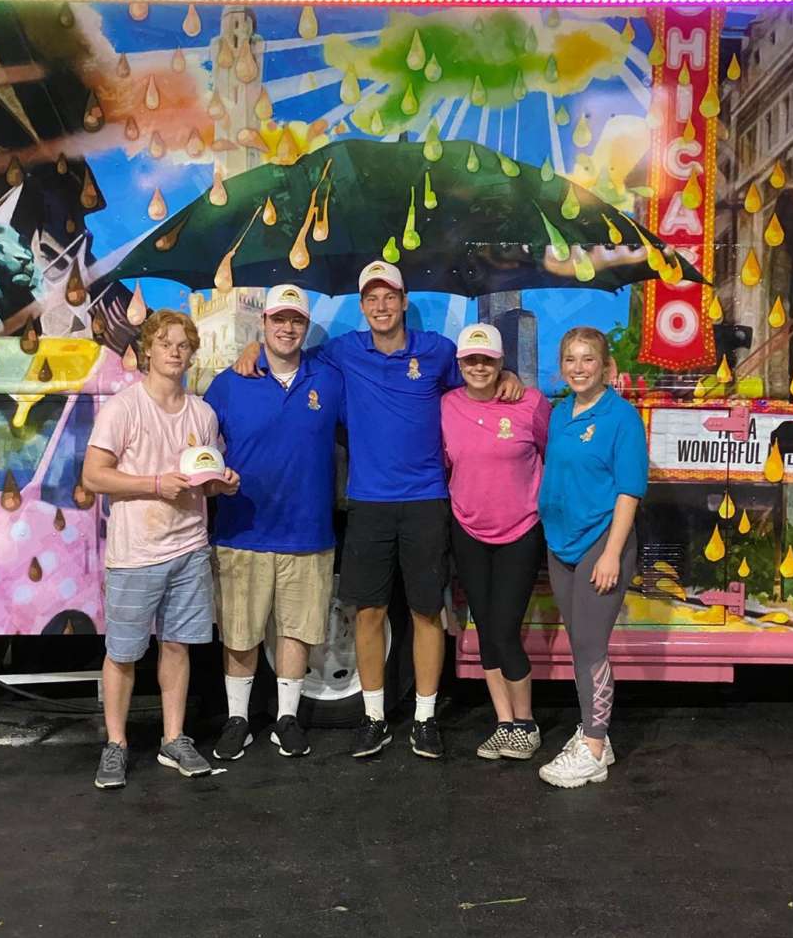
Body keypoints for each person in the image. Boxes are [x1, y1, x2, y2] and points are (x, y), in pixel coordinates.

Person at [234, 261, 522, 760]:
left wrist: (510, 374)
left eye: (389, 296)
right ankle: (374, 718)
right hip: (368, 502)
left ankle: (425, 720)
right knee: (368, 612)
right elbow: (290, 354)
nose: (381, 306)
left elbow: (479, 376)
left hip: (427, 499)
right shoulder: (344, 350)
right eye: (371, 298)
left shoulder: (437, 350)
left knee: (426, 611)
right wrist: (255, 348)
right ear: (362, 306)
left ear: (404, 301)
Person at [83, 309, 240, 790]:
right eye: (165, 343)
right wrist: (154, 484)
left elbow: (202, 480)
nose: (175, 351)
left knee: (177, 645)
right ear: (147, 350)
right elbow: (93, 476)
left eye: (183, 345)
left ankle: (174, 738)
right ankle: (116, 744)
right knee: (123, 652)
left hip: (189, 548)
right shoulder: (124, 408)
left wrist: (221, 484)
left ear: (192, 355)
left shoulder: (202, 414)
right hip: (135, 553)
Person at [204, 284, 344, 761]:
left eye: (296, 320)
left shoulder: (329, 381)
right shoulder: (228, 383)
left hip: (307, 530)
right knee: (240, 632)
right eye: (278, 319)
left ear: (306, 327)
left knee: (296, 630)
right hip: (242, 530)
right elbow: (199, 449)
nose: (287, 328)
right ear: (263, 324)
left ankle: (287, 718)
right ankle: (238, 720)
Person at [536, 326, 648, 789]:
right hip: (561, 543)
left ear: (606, 367)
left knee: (589, 645)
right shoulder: (561, 413)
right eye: (570, 359)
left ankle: (594, 748)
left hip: (601, 543)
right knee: (578, 641)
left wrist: (612, 554)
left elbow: (629, 490)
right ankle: (592, 731)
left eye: (588, 359)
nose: (578, 368)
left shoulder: (622, 418)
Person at [441, 323, 550, 761]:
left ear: (502, 362)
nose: (479, 367)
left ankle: (526, 724)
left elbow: (553, 455)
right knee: (485, 629)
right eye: (471, 359)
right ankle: (504, 723)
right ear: (460, 364)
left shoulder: (531, 403)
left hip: (520, 531)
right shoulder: (447, 405)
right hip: (468, 530)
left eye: (487, 359)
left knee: (505, 630)